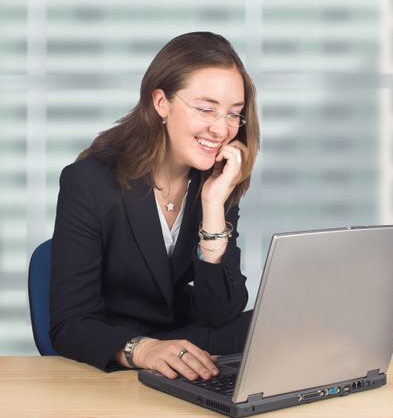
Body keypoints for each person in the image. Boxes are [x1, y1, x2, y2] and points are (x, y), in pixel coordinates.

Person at [50, 31, 260, 381]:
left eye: (233, 114)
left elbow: (219, 311)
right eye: (206, 109)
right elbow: (69, 323)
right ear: (161, 103)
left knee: (281, 322)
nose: (220, 128)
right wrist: (142, 349)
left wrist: (213, 205)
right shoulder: (88, 183)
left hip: (186, 344)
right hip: (122, 352)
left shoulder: (214, 183)